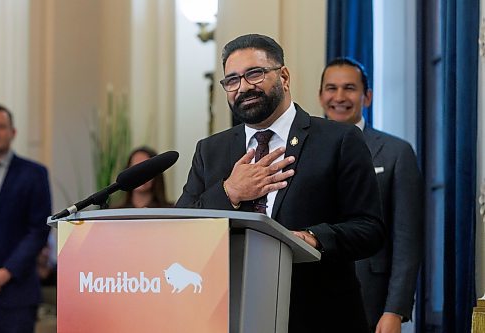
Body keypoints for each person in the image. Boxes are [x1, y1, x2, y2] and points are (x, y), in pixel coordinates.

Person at [176, 34, 385, 332]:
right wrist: (229, 192)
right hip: (230, 315)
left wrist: (313, 238)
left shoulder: (338, 140)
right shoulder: (211, 150)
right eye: (232, 80)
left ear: (284, 76)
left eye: (254, 74)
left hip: (318, 316)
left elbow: (370, 229)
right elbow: (181, 229)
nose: (243, 87)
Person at [318, 57, 423, 333]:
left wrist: (395, 310)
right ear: (320, 97)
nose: (339, 97)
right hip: (313, 294)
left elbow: (407, 241)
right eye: (331, 88)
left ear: (367, 97)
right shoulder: (302, 151)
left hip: (371, 300)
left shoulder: (396, 153)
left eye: (349, 88)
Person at [0, 103, 52, 332]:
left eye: (0, 127)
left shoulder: (34, 173)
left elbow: (39, 230)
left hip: (16, 293)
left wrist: (6, 272)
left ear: (13, 132)